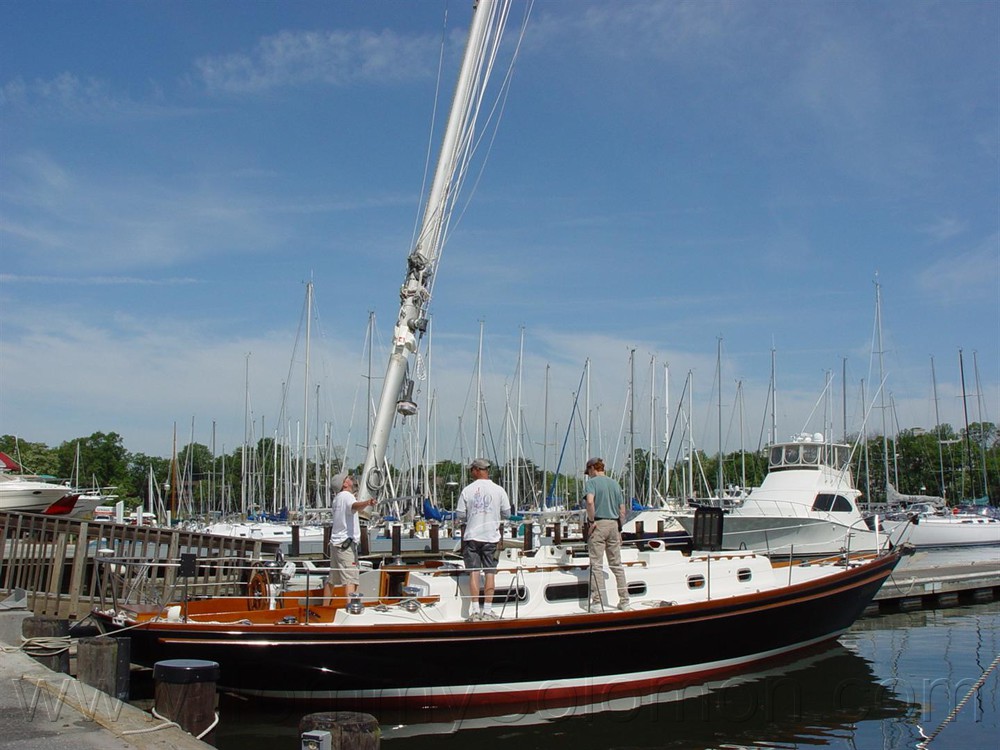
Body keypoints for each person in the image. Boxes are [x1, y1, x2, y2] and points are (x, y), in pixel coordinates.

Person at [456, 458, 511, 621]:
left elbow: (460, 515)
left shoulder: (467, 490)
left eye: (471, 470)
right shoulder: (499, 490)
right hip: (491, 536)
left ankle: (474, 610)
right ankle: (487, 610)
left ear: (476, 470)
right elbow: (507, 513)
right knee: (489, 573)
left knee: (473, 572)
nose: (470, 472)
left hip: (472, 535)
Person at [584, 457, 630, 611]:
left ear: (592, 468)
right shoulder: (615, 484)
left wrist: (591, 522)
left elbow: (590, 502)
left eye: (588, 472)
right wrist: (619, 529)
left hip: (598, 524)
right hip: (614, 524)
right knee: (617, 565)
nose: (588, 475)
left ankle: (597, 602)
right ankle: (624, 601)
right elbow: (622, 510)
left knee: (596, 565)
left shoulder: (591, 483)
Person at [323, 472, 376, 603]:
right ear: (344, 484)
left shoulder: (337, 499)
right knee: (351, 579)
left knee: (332, 579)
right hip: (345, 545)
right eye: (347, 478)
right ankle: (351, 609)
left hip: (335, 544)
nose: (350, 479)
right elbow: (354, 506)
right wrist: (368, 502)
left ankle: (324, 607)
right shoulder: (347, 496)